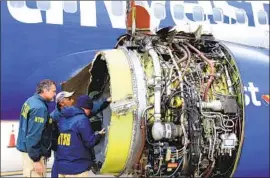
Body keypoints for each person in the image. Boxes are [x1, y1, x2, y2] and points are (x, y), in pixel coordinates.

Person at [53, 94, 111, 177]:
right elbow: (89, 142)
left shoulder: (63, 117)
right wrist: (98, 134)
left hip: (62, 167)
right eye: (89, 110)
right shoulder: (82, 119)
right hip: (78, 168)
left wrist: (105, 102)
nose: (90, 112)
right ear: (87, 108)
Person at [16, 79, 57, 177]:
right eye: (53, 91)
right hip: (33, 155)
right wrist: (36, 159)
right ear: (45, 90)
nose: (55, 94)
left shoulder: (30, 101)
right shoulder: (39, 108)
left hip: (27, 151)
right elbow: (34, 135)